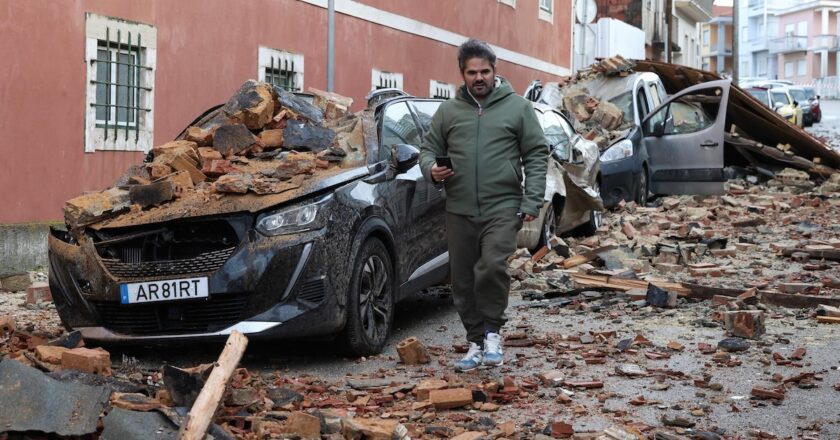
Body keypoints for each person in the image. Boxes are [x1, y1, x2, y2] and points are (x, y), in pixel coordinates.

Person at [419, 39, 548, 371]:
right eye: (472, 72)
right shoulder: (448, 112)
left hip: (503, 207)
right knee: (462, 280)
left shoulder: (518, 108)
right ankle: (475, 342)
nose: (479, 78)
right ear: (462, 74)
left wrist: (532, 198)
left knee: (491, 267)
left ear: (495, 71)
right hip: (459, 208)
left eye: (485, 71)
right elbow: (428, 150)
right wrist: (431, 170)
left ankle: (492, 333)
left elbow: (536, 154)